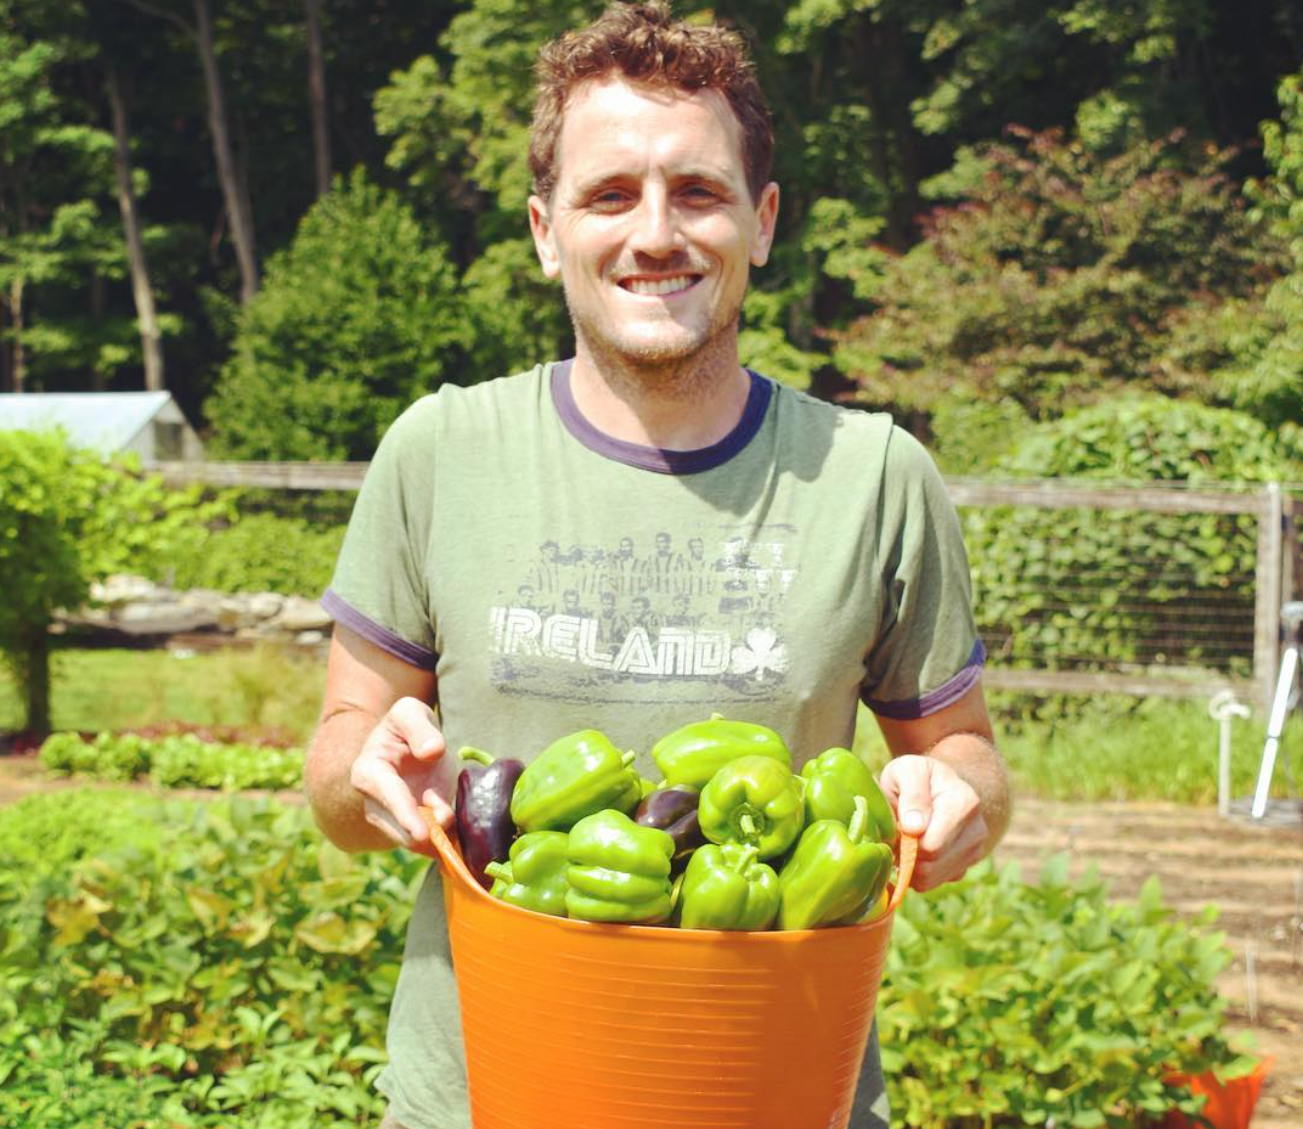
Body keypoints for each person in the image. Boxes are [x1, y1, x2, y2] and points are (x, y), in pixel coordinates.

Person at [304, 4, 1012, 1128]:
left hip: (772, 1088)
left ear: (762, 221)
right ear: (546, 231)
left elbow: (964, 754)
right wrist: (367, 771)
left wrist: (955, 799)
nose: (654, 234)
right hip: (487, 1092)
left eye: (696, 192)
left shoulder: (875, 475)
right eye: (607, 195)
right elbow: (338, 764)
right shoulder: (438, 451)